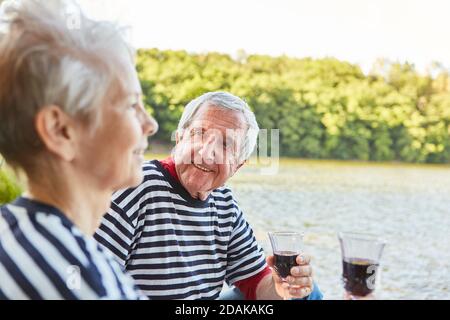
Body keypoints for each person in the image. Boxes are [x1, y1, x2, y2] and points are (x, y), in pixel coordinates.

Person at [95, 91, 323, 300]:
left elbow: (257, 284)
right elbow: (89, 282)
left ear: (237, 166)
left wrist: (283, 287)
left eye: (225, 144)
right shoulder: (135, 186)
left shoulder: (224, 203)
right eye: (199, 134)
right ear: (179, 138)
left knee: (306, 292)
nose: (206, 153)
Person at [0, 0, 158, 299]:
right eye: (130, 104)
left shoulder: (12, 232)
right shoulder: (87, 280)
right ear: (61, 131)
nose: (150, 124)